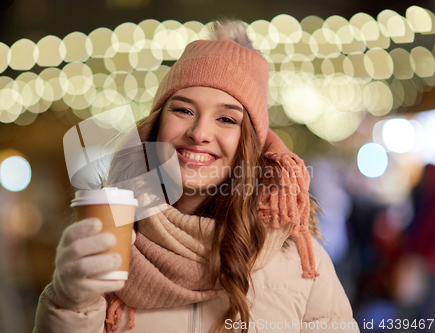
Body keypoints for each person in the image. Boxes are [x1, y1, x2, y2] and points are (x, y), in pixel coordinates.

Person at [33, 20, 359, 333]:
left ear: (249, 144)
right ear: (157, 125)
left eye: (227, 119)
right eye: (184, 110)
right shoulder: (109, 235)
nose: (200, 133)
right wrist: (70, 303)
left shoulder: (297, 259)